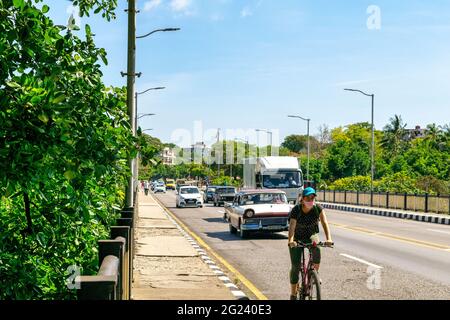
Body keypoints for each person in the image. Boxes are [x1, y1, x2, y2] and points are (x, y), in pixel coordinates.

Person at [287, 187, 333, 300]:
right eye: (308, 198)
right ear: (302, 199)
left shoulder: (318, 209)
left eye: (312, 198)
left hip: (311, 235)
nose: (310, 200)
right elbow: (292, 226)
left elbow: (324, 222)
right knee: (295, 266)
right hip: (297, 237)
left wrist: (329, 238)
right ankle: (293, 293)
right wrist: (291, 241)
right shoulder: (296, 210)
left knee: (316, 248)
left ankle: (314, 274)